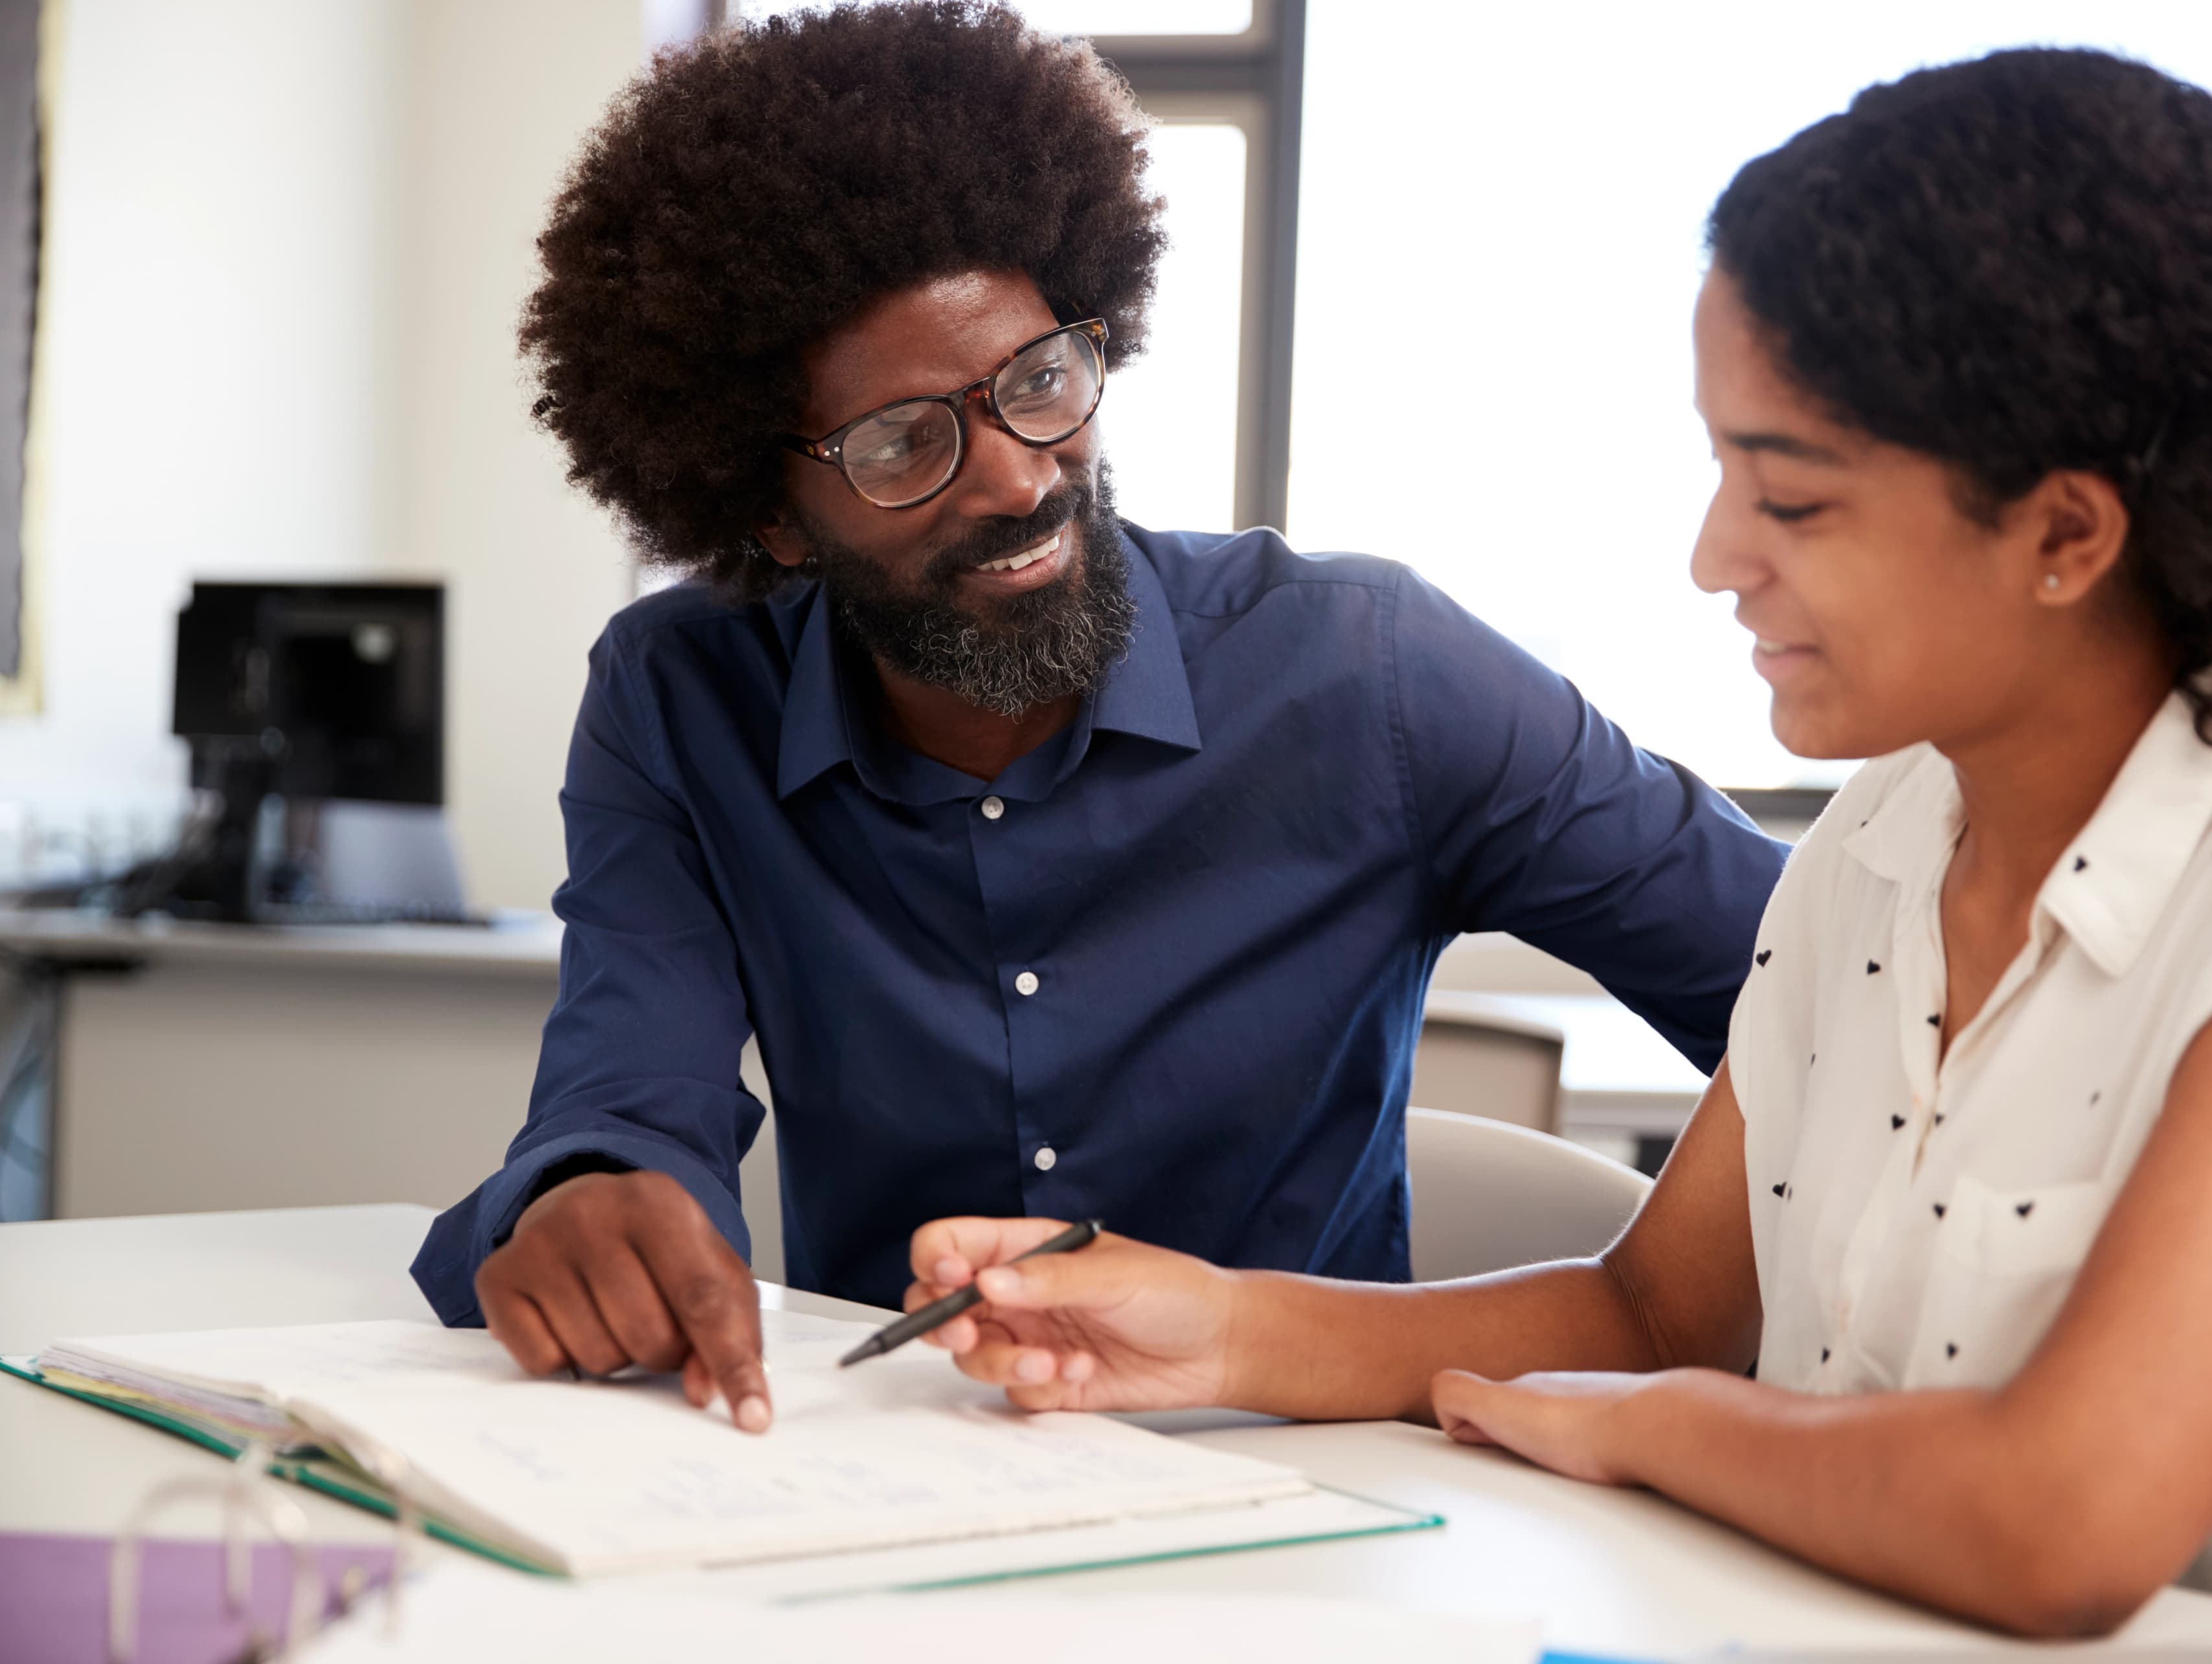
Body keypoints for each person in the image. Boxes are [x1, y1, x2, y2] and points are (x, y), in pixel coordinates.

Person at [900, 48, 2212, 1640]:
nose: (1715, 556)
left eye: (1789, 498)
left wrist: (1654, 1432)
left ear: (2066, 531)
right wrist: (1223, 1329)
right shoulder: (1887, 838)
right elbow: (1658, 1307)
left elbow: (2055, 1517)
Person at [408, 1, 1784, 1433]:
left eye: (1042, 379)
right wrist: (587, 1196)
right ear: (772, 516)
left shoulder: (1375, 674)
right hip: (888, 1486)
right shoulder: (681, 698)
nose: (1015, 475)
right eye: (901, 441)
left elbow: (1847, 996)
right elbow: (630, 1090)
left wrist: (1679, 1294)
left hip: (1324, 1493)